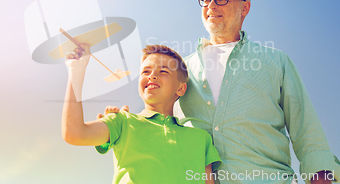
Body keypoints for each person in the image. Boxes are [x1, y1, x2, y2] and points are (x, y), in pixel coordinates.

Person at [102, 0, 340, 184]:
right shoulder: (181, 70)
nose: (210, 6)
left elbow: (306, 131)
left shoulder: (276, 62)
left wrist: (320, 178)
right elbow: (160, 120)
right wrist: (125, 121)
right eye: (206, 0)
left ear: (245, 7)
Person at [62, 44, 222, 183]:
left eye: (164, 71)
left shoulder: (201, 139)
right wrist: (76, 72)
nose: (152, 75)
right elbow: (74, 133)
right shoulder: (121, 121)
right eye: (146, 72)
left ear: (180, 88)